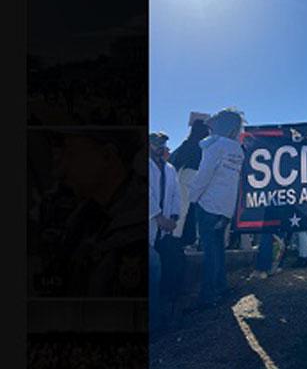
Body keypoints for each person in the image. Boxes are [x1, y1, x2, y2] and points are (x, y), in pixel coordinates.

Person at [53, 130, 147, 297]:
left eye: (71, 154)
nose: (61, 169)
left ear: (107, 156)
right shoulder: (84, 217)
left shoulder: (139, 223)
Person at [187, 109, 245, 310]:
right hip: (225, 207)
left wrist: (192, 198)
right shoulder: (238, 149)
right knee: (218, 247)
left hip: (209, 204)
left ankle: (208, 294)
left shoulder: (215, 146)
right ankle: (221, 286)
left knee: (210, 249)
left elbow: (204, 175)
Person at [148, 132, 183, 326]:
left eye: (162, 143)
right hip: (152, 223)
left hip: (164, 229)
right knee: (154, 268)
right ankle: (153, 321)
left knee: (169, 265)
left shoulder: (170, 169)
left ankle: (165, 312)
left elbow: (176, 194)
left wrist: (174, 217)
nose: (160, 146)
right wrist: (158, 216)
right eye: (156, 143)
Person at [168, 119, 210, 246]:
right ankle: (197, 240)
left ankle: (175, 236)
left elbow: (176, 161)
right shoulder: (207, 145)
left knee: (182, 209)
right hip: (202, 178)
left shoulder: (188, 143)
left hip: (186, 176)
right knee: (199, 211)